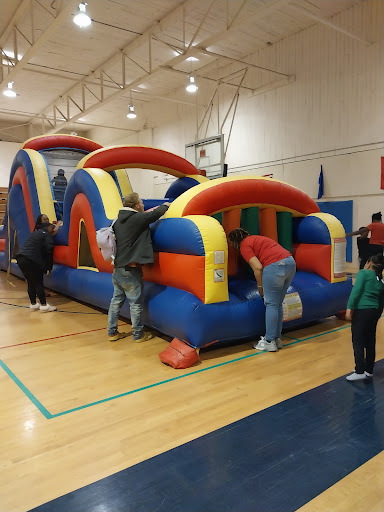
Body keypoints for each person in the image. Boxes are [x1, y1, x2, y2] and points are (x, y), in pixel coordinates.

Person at [107, 193, 169, 343]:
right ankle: (138, 335)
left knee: (116, 301)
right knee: (135, 303)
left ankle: (112, 332)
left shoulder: (118, 221)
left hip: (118, 267)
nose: (143, 205)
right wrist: (166, 206)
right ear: (135, 206)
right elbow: (154, 215)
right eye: (141, 202)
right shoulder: (136, 219)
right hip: (131, 269)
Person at [228, 228, 296, 352]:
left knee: (270, 304)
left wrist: (260, 288)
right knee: (277, 304)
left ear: (234, 242)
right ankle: (277, 338)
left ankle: (269, 341)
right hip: (290, 263)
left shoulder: (244, 246)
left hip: (275, 266)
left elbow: (258, 267)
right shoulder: (257, 239)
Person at [345, 253, 384, 381]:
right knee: (370, 340)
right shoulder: (380, 278)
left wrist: (350, 307)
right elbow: (381, 299)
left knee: (358, 340)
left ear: (369, 263)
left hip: (362, 310)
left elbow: (356, 291)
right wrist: (377, 314)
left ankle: (359, 370)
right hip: (374, 311)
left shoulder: (363, 273)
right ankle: (369, 369)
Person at [16, 222, 57, 312]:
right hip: (31, 260)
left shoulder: (35, 234)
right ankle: (44, 305)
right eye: (52, 227)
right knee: (38, 282)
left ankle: (33, 303)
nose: (53, 230)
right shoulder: (46, 235)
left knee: (31, 282)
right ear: (47, 227)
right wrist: (48, 267)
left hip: (20, 258)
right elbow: (49, 251)